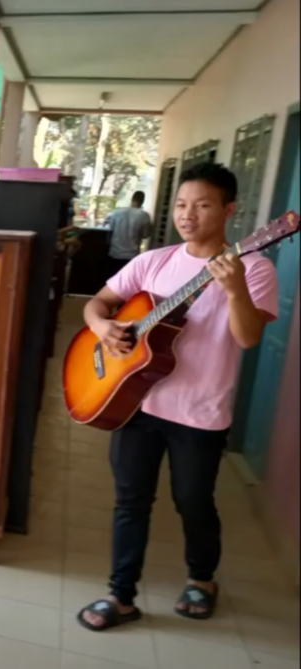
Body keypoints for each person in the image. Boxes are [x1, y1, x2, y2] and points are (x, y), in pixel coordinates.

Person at [77, 163, 279, 632]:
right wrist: (103, 328)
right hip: (136, 405)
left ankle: (202, 578)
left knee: (193, 501)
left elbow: (248, 338)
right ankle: (120, 594)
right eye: (182, 205)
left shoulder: (253, 267)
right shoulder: (156, 261)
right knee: (130, 501)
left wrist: (234, 291)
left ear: (230, 210)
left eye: (203, 205)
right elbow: (97, 303)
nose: (188, 215)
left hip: (200, 412)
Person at [105, 190, 152, 277]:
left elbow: (109, 231)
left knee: (113, 281)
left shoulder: (117, 212)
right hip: (131, 256)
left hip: (115, 254)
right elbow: (146, 235)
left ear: (132, 199)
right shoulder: (144, 215)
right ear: (142, 201)